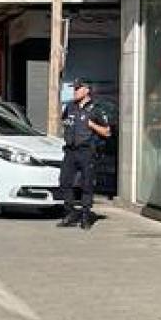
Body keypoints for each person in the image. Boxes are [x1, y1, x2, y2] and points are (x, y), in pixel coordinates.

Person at [57, 78, 110, 230]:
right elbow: (65, 123)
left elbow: (107, 132)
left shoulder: (96, 108)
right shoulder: (70, 107)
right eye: (74, 89)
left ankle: (86, 215)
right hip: (70, 150)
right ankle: (71, 213)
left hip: (87, 150)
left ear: (87, 90)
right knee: (64, 182)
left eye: (77, 89)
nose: (74, 91)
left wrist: (91, 125)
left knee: (86, 184)